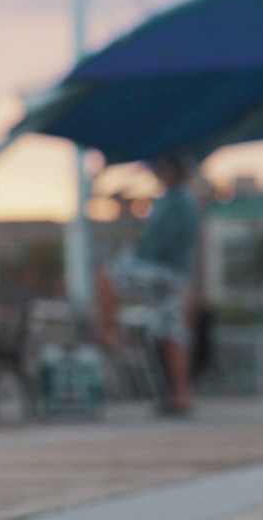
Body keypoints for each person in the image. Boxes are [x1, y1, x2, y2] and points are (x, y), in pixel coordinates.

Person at [96, 153, 201, 415]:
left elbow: (157, 243)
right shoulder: (179, 199)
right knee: (171, 333)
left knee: (106, 275)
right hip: (174, 275)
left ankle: (109, 332)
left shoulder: (178, 201)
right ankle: (181, 397)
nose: (156, 174)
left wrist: (132, 255)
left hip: (163, 272)